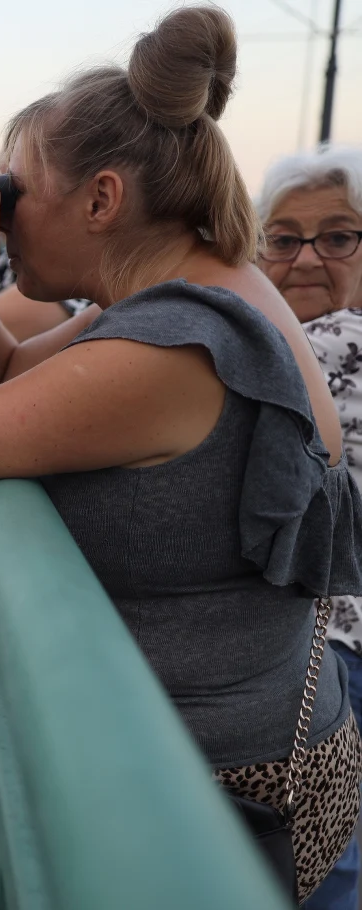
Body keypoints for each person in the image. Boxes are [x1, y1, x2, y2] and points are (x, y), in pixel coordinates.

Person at [0, 5, 362, 900]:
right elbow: (8, 369)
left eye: (20, 194)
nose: (7, 221)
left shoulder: (169, 349)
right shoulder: (201, 288)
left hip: (214, 814)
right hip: (271, 763)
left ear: (101, 199)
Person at [256, 144, 362, 910]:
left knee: (323, 873)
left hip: (333, 657)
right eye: (283, 238)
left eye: (339, 236)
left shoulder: (332, 343)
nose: (306, 259)